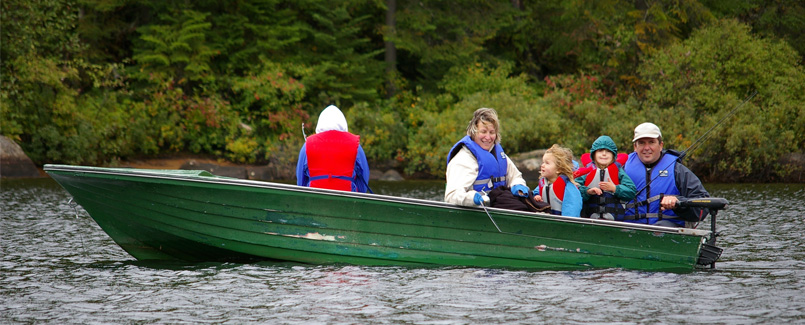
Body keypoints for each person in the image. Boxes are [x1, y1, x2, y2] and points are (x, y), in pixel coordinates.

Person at [623, 122, 710, 227]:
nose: (646, 148)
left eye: (651, 142)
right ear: (635, 147)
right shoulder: (623, 169)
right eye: (641, 143)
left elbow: (703, 207)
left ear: (660, 145)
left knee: (662, 226)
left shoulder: (678, 171)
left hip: (668, 232)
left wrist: (679, 203)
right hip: (630, 231)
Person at [445, 108, 529, 207]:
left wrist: (518, 185)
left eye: (492, 132)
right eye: (483, 132)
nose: (488, 137)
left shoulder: (498, 154)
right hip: (476, 212)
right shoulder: (463, 159)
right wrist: (472, 198)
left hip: (500, 205)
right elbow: (451, 195)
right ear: (474, 132)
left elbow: (515, 177)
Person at [296, 105, 371, 193]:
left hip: (314, 201)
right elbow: (363, 183)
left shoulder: (307, 146)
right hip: (348, 202)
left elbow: (301, 183)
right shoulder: (356, 147)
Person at [575, 135, 636, 220]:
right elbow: (574, 188)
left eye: (608, 151)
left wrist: (615, 188)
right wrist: (587, 191)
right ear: (594, 154)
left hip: (614, 223)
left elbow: (631, 191)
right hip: (590, 221)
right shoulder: (587, 172)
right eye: (600, 151)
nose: (604, 154)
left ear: (613, 155)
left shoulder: (618, 172)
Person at [532, 144, 582, 217]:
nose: (542, 165)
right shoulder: (544, 183)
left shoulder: (569, 187)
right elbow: (535, 192)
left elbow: (572, 208)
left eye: (547, 163)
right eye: (543, 162)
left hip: (562, 223)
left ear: (559, 169)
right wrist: (536, 196)